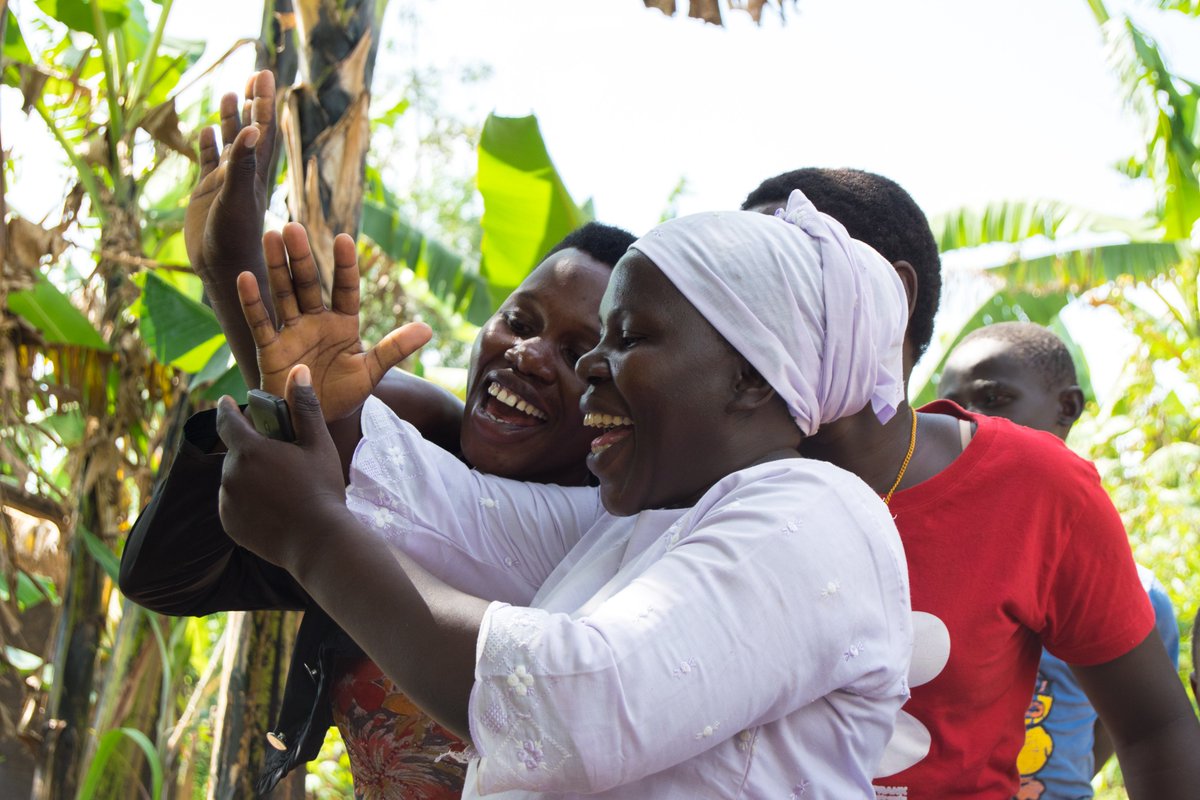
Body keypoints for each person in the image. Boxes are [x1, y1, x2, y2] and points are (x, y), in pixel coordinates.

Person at [213, 191, 915, 798]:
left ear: (750, 379)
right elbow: (431, 505)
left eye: (629, 336)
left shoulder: (817, 513)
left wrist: (315, 540)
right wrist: (260, 316)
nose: (588, 365)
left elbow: (579, 702)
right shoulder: (627, 526)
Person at [120, 71, 638, 797]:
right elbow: (165, 577)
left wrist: (235, 281)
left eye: (578, 356)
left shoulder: (616, 544)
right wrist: (245, 313)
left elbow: (396, 463)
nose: (527, 354)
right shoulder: (377, 501)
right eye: (520, 322)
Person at [741, 167, 1200, 799]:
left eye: (778, 274)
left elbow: (1153, 729)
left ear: (887, 297)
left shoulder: (1036, 488)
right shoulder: (691, 479)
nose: (737, 311)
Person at [938, 321, 1181, 800]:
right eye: (950, 405)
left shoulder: (1141, 597)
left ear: (1066, 407)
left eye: (992, 397)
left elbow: (1134, 729)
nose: (967, 419)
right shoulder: (929, 569)